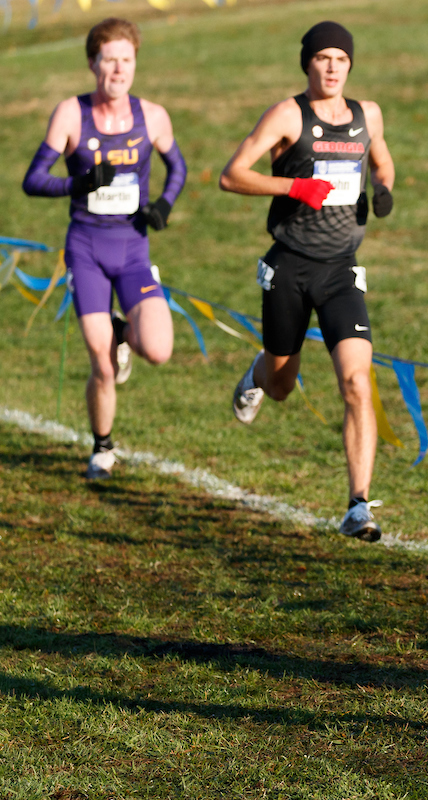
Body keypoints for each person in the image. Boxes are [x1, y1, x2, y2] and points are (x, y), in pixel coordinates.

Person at [219, 21, 395, 541]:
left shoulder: (368, 116)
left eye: (341, 58)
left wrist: (382, 190)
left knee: (357, 382)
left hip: (342, 268)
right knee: (281, 385)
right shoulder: (287, 114)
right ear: (308, 64)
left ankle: (358, 505)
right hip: (290, 264)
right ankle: (257, 373)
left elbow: (382, 164)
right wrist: (295, 186)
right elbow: (233, 174)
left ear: (351, 65)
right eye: (323, 58)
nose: (333, 67)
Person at [22, 17, 186, 481]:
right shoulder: (71, 114)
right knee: (100, 359)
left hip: (133, 249)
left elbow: (178, 167)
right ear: (93, 63)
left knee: (158, 350)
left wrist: (164, 206)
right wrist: (78, 182)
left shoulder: (152, 115)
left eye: (126, 60)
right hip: (86, 248)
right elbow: (32, 179)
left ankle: (124, 333)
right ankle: (102, 448)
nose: (118, 69)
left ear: (136, 63)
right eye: (109, 59)